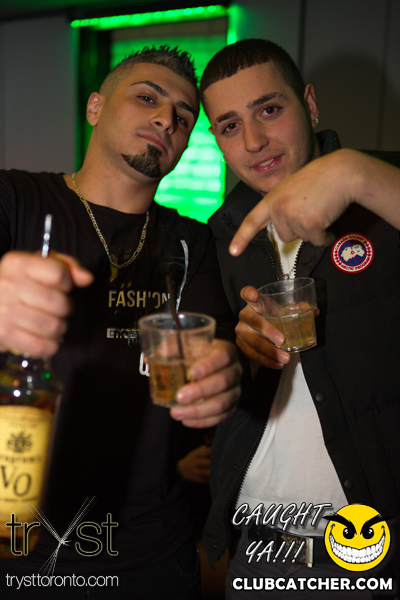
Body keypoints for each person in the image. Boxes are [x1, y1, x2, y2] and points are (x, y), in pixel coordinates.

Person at [0, 45, 243, 599]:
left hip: (150, 549)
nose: (167, 119)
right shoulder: (15, 198)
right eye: (147, 98)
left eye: (183, 117)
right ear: (95, 107)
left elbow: (219, 345)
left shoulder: (193, 240)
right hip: (19, 541)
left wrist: (227, 372)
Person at [199, 38, 400, 598]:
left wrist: (357, 175)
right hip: (261, 542)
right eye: (230, 126)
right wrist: (240, 355)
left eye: (269, 109)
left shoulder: (382, 186)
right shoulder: (224, 236)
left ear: (309, 106)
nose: (254, 141)